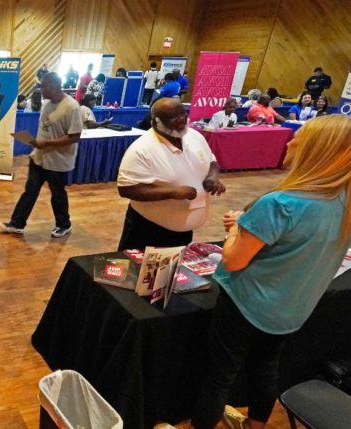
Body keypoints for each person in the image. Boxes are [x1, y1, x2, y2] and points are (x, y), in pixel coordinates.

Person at [191, 114, 351, 429]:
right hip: (291, 311)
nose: (289, 141)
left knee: (219, 374)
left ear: (315, 152)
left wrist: (235, 229)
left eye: (298, 138)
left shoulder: (280, 204)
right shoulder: (344, 204)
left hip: (248, 304)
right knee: (266, 367)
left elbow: (234, 260)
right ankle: (256, 424)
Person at [117, 98, 226, 251]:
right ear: (156, 122)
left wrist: (212, 177)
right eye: (173, 117)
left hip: (183, 229)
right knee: (139, 272)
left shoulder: (194, 136)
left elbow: (212, 161)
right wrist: (172, 192)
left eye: (183, 114)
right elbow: (127, 189)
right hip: (149, 230)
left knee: (172, 272)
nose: (181, 120)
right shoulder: (141, 149)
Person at [0, 72, 82, 238]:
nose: (40, 89)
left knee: (57, 194)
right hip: (38, 157)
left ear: (53, 87)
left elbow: (75, 137)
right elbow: (46, 129)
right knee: (30, 191)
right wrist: (37, 144)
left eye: (43, 86)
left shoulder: (72, 107)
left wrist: (47, 144)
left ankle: (64, 224)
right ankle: (17, 223)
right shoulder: (46, 104)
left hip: (58, 161)